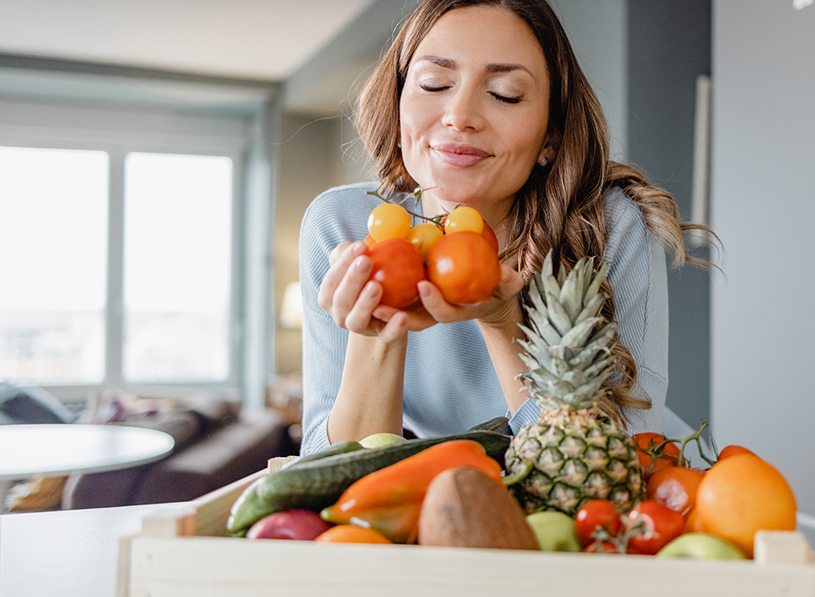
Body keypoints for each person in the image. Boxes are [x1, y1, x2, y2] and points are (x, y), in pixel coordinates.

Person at [298, 0, 709, 456]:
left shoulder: (611, 225)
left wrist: (502, 322)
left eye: (505, 93)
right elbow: (326, 476)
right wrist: (375, 330)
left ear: (550, 137)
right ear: (397, 105)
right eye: (434, 83)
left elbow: (622, 459)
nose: (459, 116)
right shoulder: (341, 225)